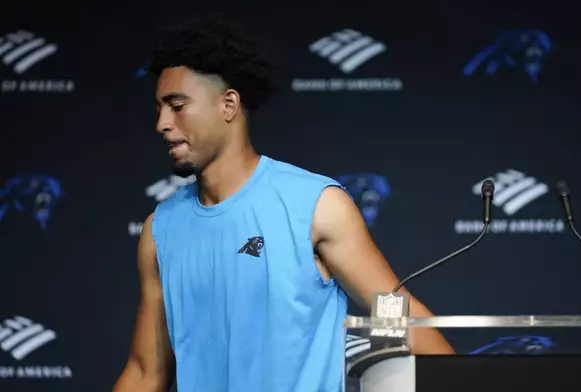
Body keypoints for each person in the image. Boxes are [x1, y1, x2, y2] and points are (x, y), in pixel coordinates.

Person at [113, 13, 454, 392]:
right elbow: (146, 372)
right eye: (158, 109)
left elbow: (398, 319)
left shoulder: (316, 206)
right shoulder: (160, 230)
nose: (162, 122)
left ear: (228, 105)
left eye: (177, 106)